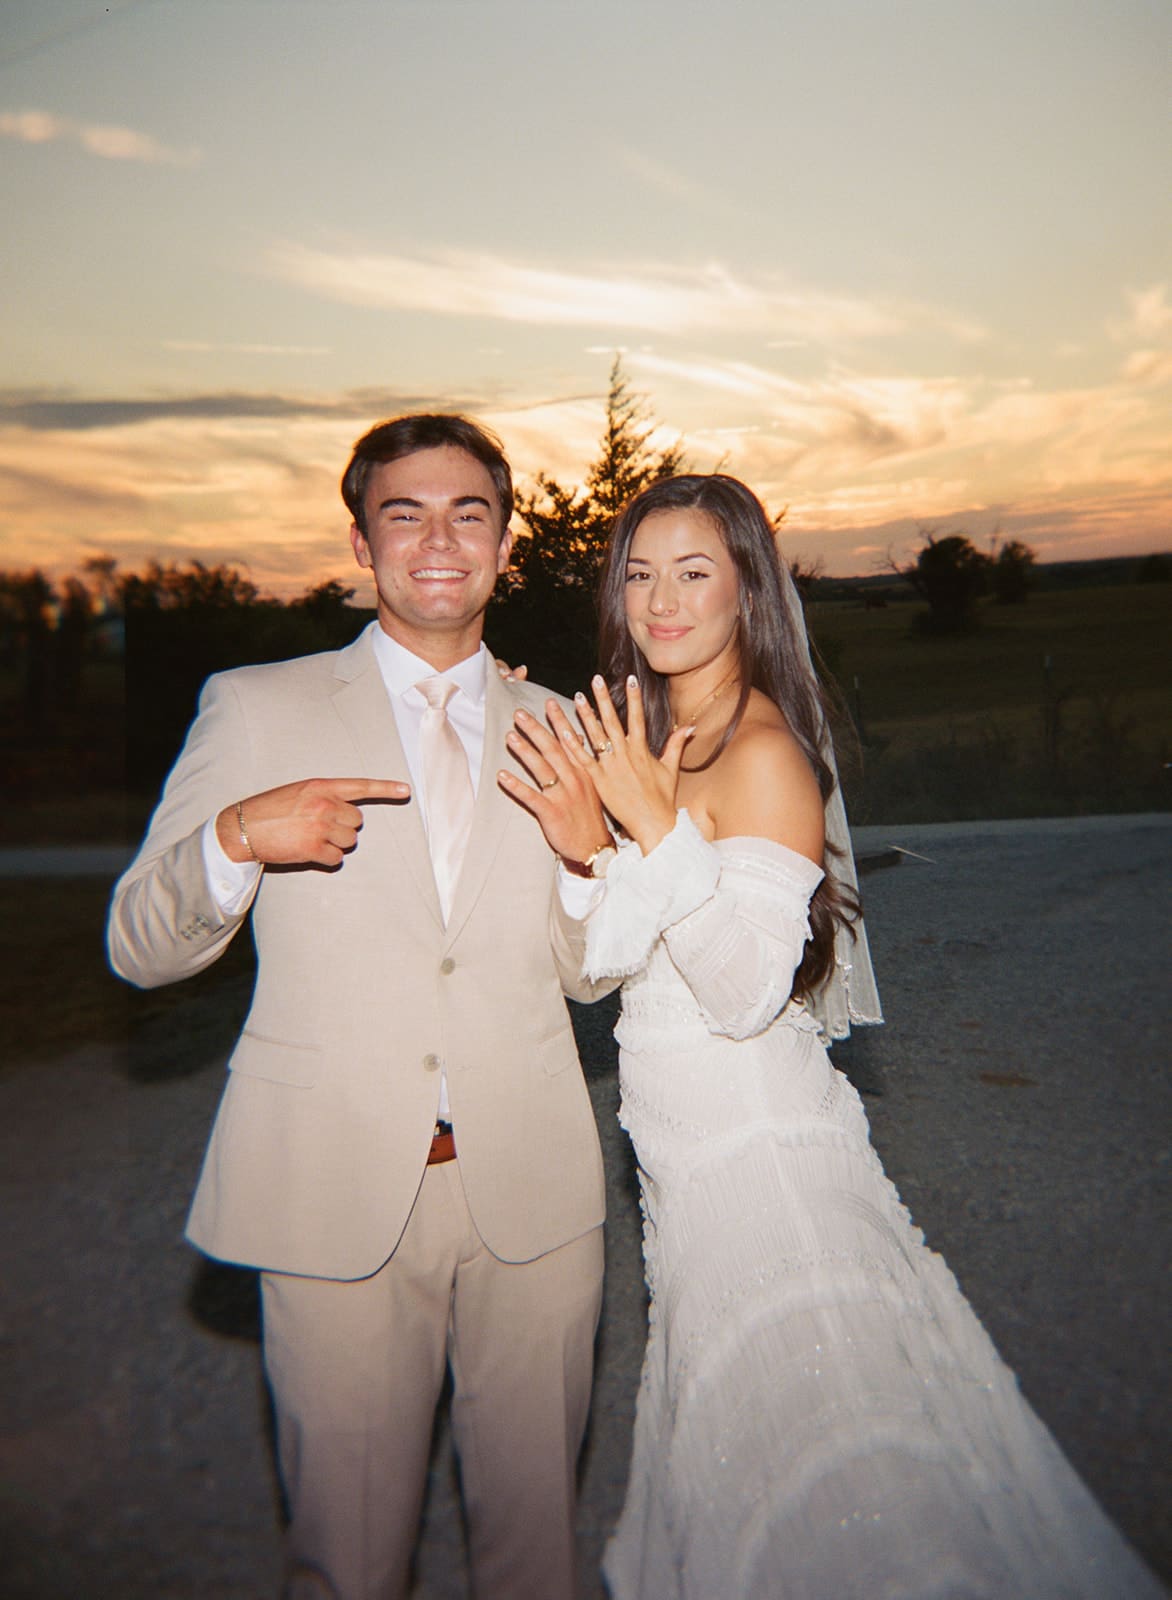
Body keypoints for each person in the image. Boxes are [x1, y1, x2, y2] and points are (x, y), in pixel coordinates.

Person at [499, 473, 1164, 1600]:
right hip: (683, 1172)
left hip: (763, 1158)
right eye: (639, 573)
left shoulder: (761, 754)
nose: (660, 601)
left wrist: (649, 827)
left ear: (745, 591)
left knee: (836, 1470)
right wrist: (580, 847)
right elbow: (602, 969)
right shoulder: (660, 735)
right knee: (742, 1449)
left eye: (693, 572)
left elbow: (745, 994)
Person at [107, 414, 620, 1600]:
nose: (437, 538)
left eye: (468, 513)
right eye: (405, 512)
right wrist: (238, 838)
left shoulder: (563, 729)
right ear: (360, 542)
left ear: (502, 544)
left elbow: (589, 972)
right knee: (344, 1559)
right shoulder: (253, 705)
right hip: (329, 1197)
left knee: (535, 1556)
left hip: (532, 1203)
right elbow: (136, 944)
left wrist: (591, 860)